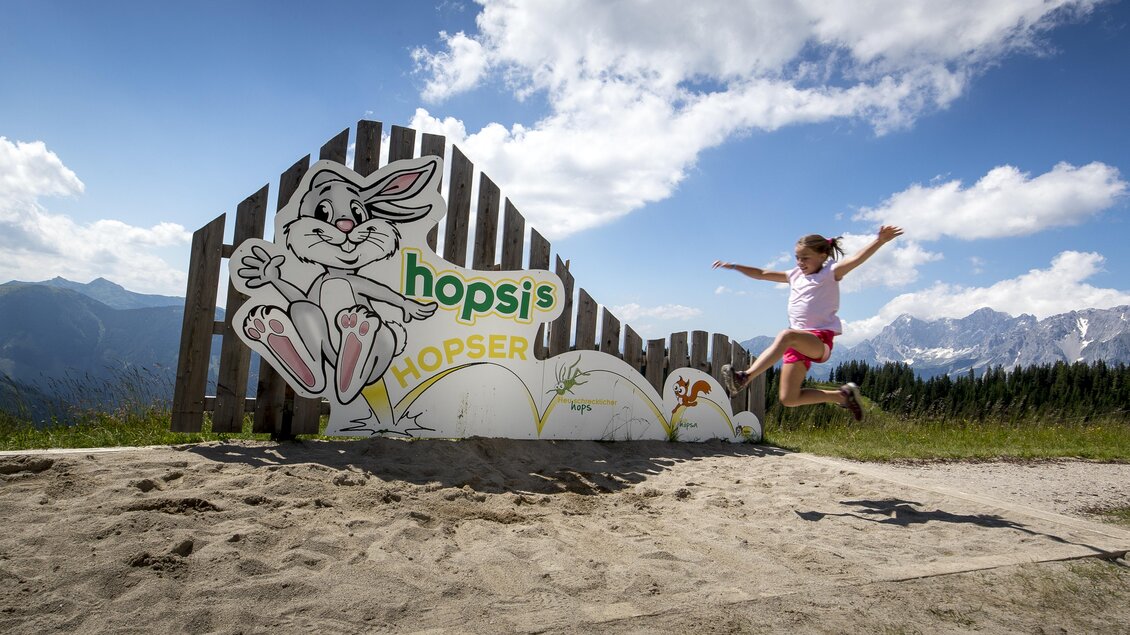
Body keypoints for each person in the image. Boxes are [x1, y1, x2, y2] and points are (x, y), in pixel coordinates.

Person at [712, 225, 903, 421]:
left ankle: (744, 377)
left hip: (818, 339)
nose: (800, 262)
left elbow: (856, 260)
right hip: (796, 342)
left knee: (786, 335)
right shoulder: (794, 275)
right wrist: (734, 266)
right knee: (789, 398)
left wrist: (879, 240)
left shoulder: (831, 272)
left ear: (822, 255)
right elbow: (762, 273)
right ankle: (842, 396)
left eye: (805, 258)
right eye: (797, 257)